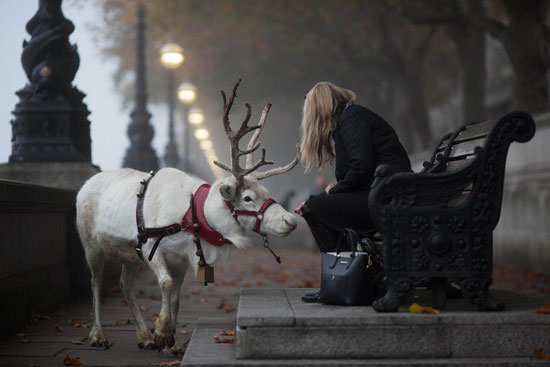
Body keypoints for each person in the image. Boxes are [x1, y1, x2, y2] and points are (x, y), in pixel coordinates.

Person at [294, 81, 412, 303]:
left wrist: (335, 190)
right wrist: (331, 192)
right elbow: (358, 171)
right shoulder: (348, 120)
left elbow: (361, 167)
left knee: (314, 207)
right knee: (313, 205)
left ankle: (343, 280)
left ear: (319, 108)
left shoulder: (352, 118)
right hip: (382, 193)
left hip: (389, 196)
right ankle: (345, 280)